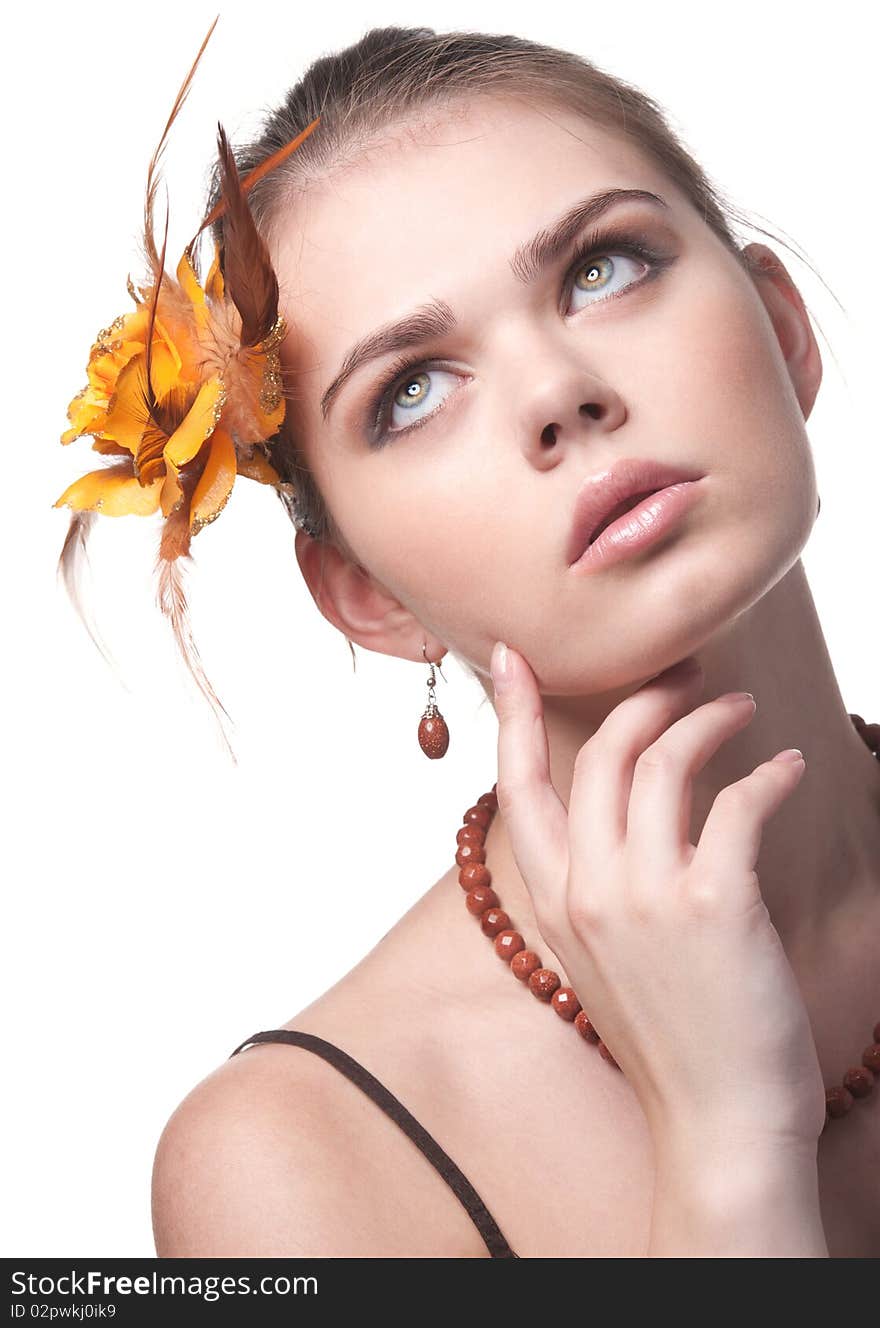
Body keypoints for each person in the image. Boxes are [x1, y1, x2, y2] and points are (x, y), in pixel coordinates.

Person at [57, 24, 880, 1258]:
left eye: (603, 268)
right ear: (362, 593)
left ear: (782, 327)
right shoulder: (297, 1167)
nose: (557, 390)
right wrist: (725, 1146)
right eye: (410, 390)